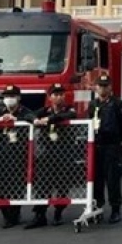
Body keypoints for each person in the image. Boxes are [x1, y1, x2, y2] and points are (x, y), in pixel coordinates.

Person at [0, 84, 37, 228]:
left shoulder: (24, 112)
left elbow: (32, 117)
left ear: (19, 98)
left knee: (17, 187)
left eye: (12, 96)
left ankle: (14, 214)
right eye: (6, 97)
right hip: (0, 155)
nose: (9, 99)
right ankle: (6, 215)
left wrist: (17, 119)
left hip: (19, 155)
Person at [25, 83, 77, 229]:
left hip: (64, 153)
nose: (59, 97)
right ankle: (39, 215)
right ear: (50, 97)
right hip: (47, 153)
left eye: (61, 94)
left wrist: (50, 119)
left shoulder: (68, 109)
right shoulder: (45, 110)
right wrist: (35, 120)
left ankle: (58, 213)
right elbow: (29, 114)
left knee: (62, 185)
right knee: (42, 185)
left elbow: (71, 115)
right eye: (56, 94)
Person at [88, 73, 122, 224]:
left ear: (110, 87)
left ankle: (115, 209)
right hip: (96, 146)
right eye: (100, 86)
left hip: (111, 146)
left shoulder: (117, 104)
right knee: (96, 179)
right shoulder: (93, 105)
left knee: (113, 179)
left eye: (105, 86)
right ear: (96, 87)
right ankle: (98, 208)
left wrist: (117, 140)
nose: (102, 89)